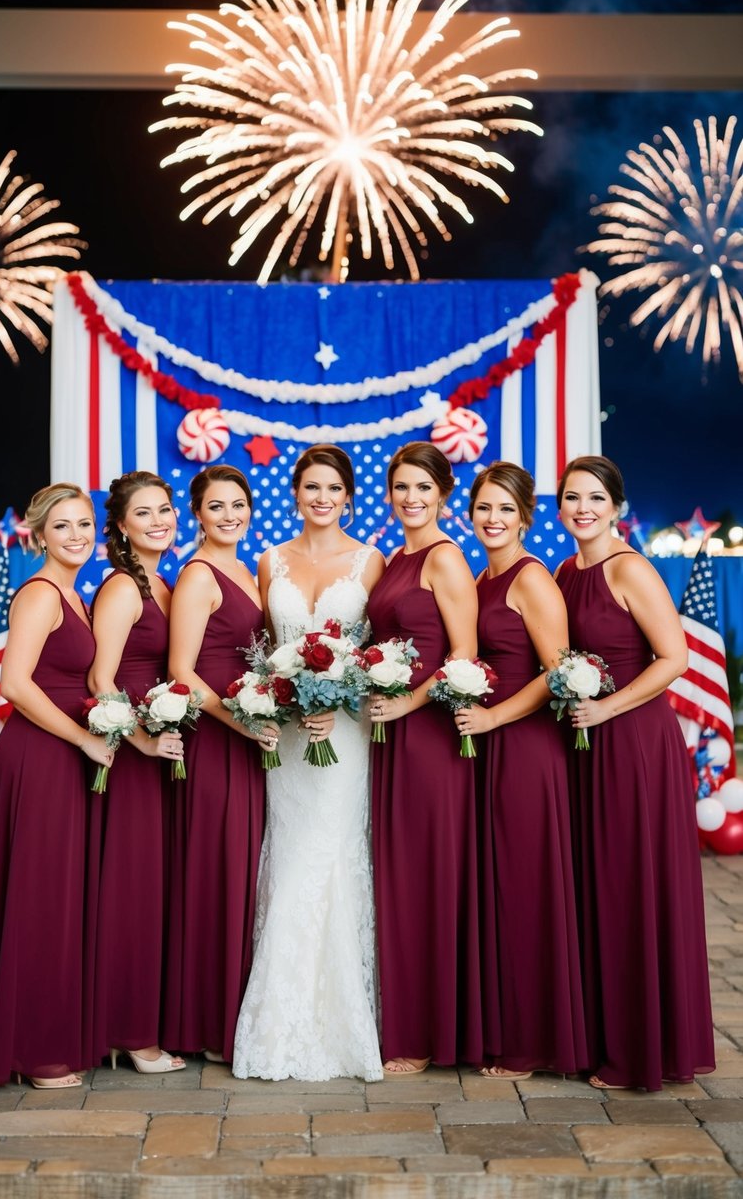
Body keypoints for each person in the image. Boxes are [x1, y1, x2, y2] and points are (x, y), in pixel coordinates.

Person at [555, 455, 715, 1091]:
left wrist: (606, 707)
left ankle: (640, 1047)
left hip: (633, 742)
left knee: (628, 885)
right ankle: (599, 1034)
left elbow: (673, 658)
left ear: (617, 506)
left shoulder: (630, 569)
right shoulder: (567, 571)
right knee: (594, 885)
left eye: (596, 497)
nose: (583, 508)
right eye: (572, 498)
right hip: (584, 742)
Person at [232, 444, 386, 1082]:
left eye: (333, 488)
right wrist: (273, 701)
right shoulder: (269, 561)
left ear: (348, 496)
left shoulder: (370, 561)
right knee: (289, 855)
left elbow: (374, 652)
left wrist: (342, 697)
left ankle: (346, 1022)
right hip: (286, 742)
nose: (321, 497)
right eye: (310, 487)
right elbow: (264, 651)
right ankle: (277, 1018)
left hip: (344, 735)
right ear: (295, 494)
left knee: (333, 853)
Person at [0, 483, 108, 1088]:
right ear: (39, 536)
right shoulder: (41, 594)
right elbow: (15, 685)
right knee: (43, 895)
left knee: (60, 894)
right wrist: (83, 738)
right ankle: (37, 1052)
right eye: (63, 527)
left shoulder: (75, 594)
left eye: (85, 524)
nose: (77, 536)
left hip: (68, 749)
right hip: (44, 755)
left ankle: (46, 1033)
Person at [455, 461, 587, 1080]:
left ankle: (534, 1043)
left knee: (527, 888)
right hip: (487, 743)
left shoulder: (532, 578)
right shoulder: (482, 575)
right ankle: (502, 1027)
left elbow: (559, 670)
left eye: (505, 509)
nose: (492, 518)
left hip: (527, 745)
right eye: (484, 507)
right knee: (498, 887)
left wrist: (493, 718)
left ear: (527, 517)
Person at [367, 441, 482, 1075]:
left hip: (431, 736)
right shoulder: (393, 560)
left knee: (430, 876)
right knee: (398, 877)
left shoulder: (445, 559)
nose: (411, 499)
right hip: (388, 735)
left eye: (423, 488)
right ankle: (403, 1021)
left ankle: (432, 1034)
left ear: (442, 493)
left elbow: (464, 654)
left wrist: (409, 704)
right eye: (401, 488)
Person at [163, 465, 272, 1065]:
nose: (229, 515)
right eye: (215, 506)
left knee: (241, 878)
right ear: (197, 514)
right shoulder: (200, 575)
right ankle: (203, 1022)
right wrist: (241, 722)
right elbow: (182, 668)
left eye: (238, 504)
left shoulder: (248, 570)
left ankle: (232, 1012)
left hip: (249, 736)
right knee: (215, 875)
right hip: (216, 739)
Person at [88, 471, 186, 1075]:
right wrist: (142, 738)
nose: (159, 521)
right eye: (144, 514)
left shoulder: (169, 584)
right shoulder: (125, 588)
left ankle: (139, 1021)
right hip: (129, 757)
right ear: (121, 527)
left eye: (166, 509)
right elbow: (101, 679)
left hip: (163, 750)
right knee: (132, 891)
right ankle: (129, 1035)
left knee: (153, 890)